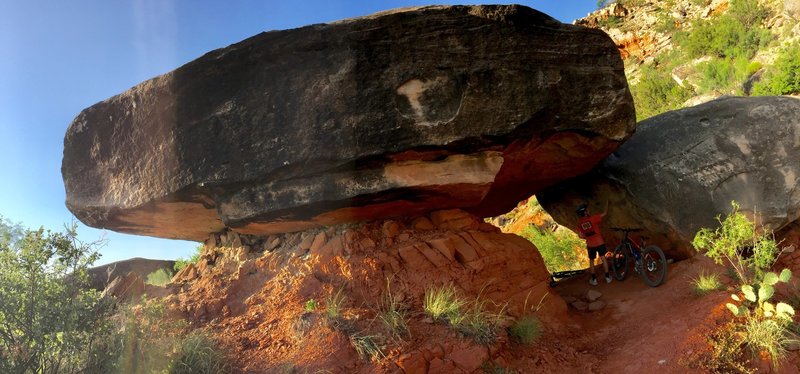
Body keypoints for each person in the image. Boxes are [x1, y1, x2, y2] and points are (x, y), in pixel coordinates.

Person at [576, 202, 611, 286]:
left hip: (591, 244)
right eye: (587, 210)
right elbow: (604, 213)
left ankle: (594, 280)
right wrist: (607, 204)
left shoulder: (579, 223)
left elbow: (580, 236)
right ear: (585, 212)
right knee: (603, 258)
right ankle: (607, 278)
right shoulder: (593, 218)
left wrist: (586, 237)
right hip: (599, 242)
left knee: (591, 261)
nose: (589, 210)